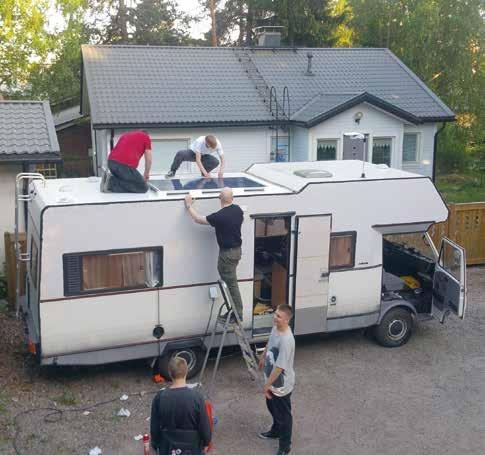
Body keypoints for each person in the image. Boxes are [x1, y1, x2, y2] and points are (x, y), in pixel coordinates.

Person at [184, 187, 244, 321]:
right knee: (230, 281)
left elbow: (198, 219)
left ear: (219, 198)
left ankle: (237, 314)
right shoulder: (238, 210)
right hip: (237, 251)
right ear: (232, 198)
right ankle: (234, 310)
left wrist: (188, 205)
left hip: (227, 254)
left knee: (231, 284)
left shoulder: (219, 216)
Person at [150, 357, 212, 455]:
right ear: (186, 371)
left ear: (169, 373)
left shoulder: (159, 398)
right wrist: (206, 442)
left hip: (167, 446)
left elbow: (155, 427)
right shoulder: (197, 398)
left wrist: (156, 444)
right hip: (192, 447)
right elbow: (204, 425)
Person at [258, 304, 295, 455]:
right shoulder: (276, 328)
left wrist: (266, 385)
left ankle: (285, 446)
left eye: (279, 316)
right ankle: (276, 430)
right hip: (272, 380)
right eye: (275, 314)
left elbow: (279, 368)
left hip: (281, 386)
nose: (275, 317)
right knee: (272, 406)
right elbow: (270, 341)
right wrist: (263, 355)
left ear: (286, 320)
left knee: (284, 416)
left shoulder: (287, 340)